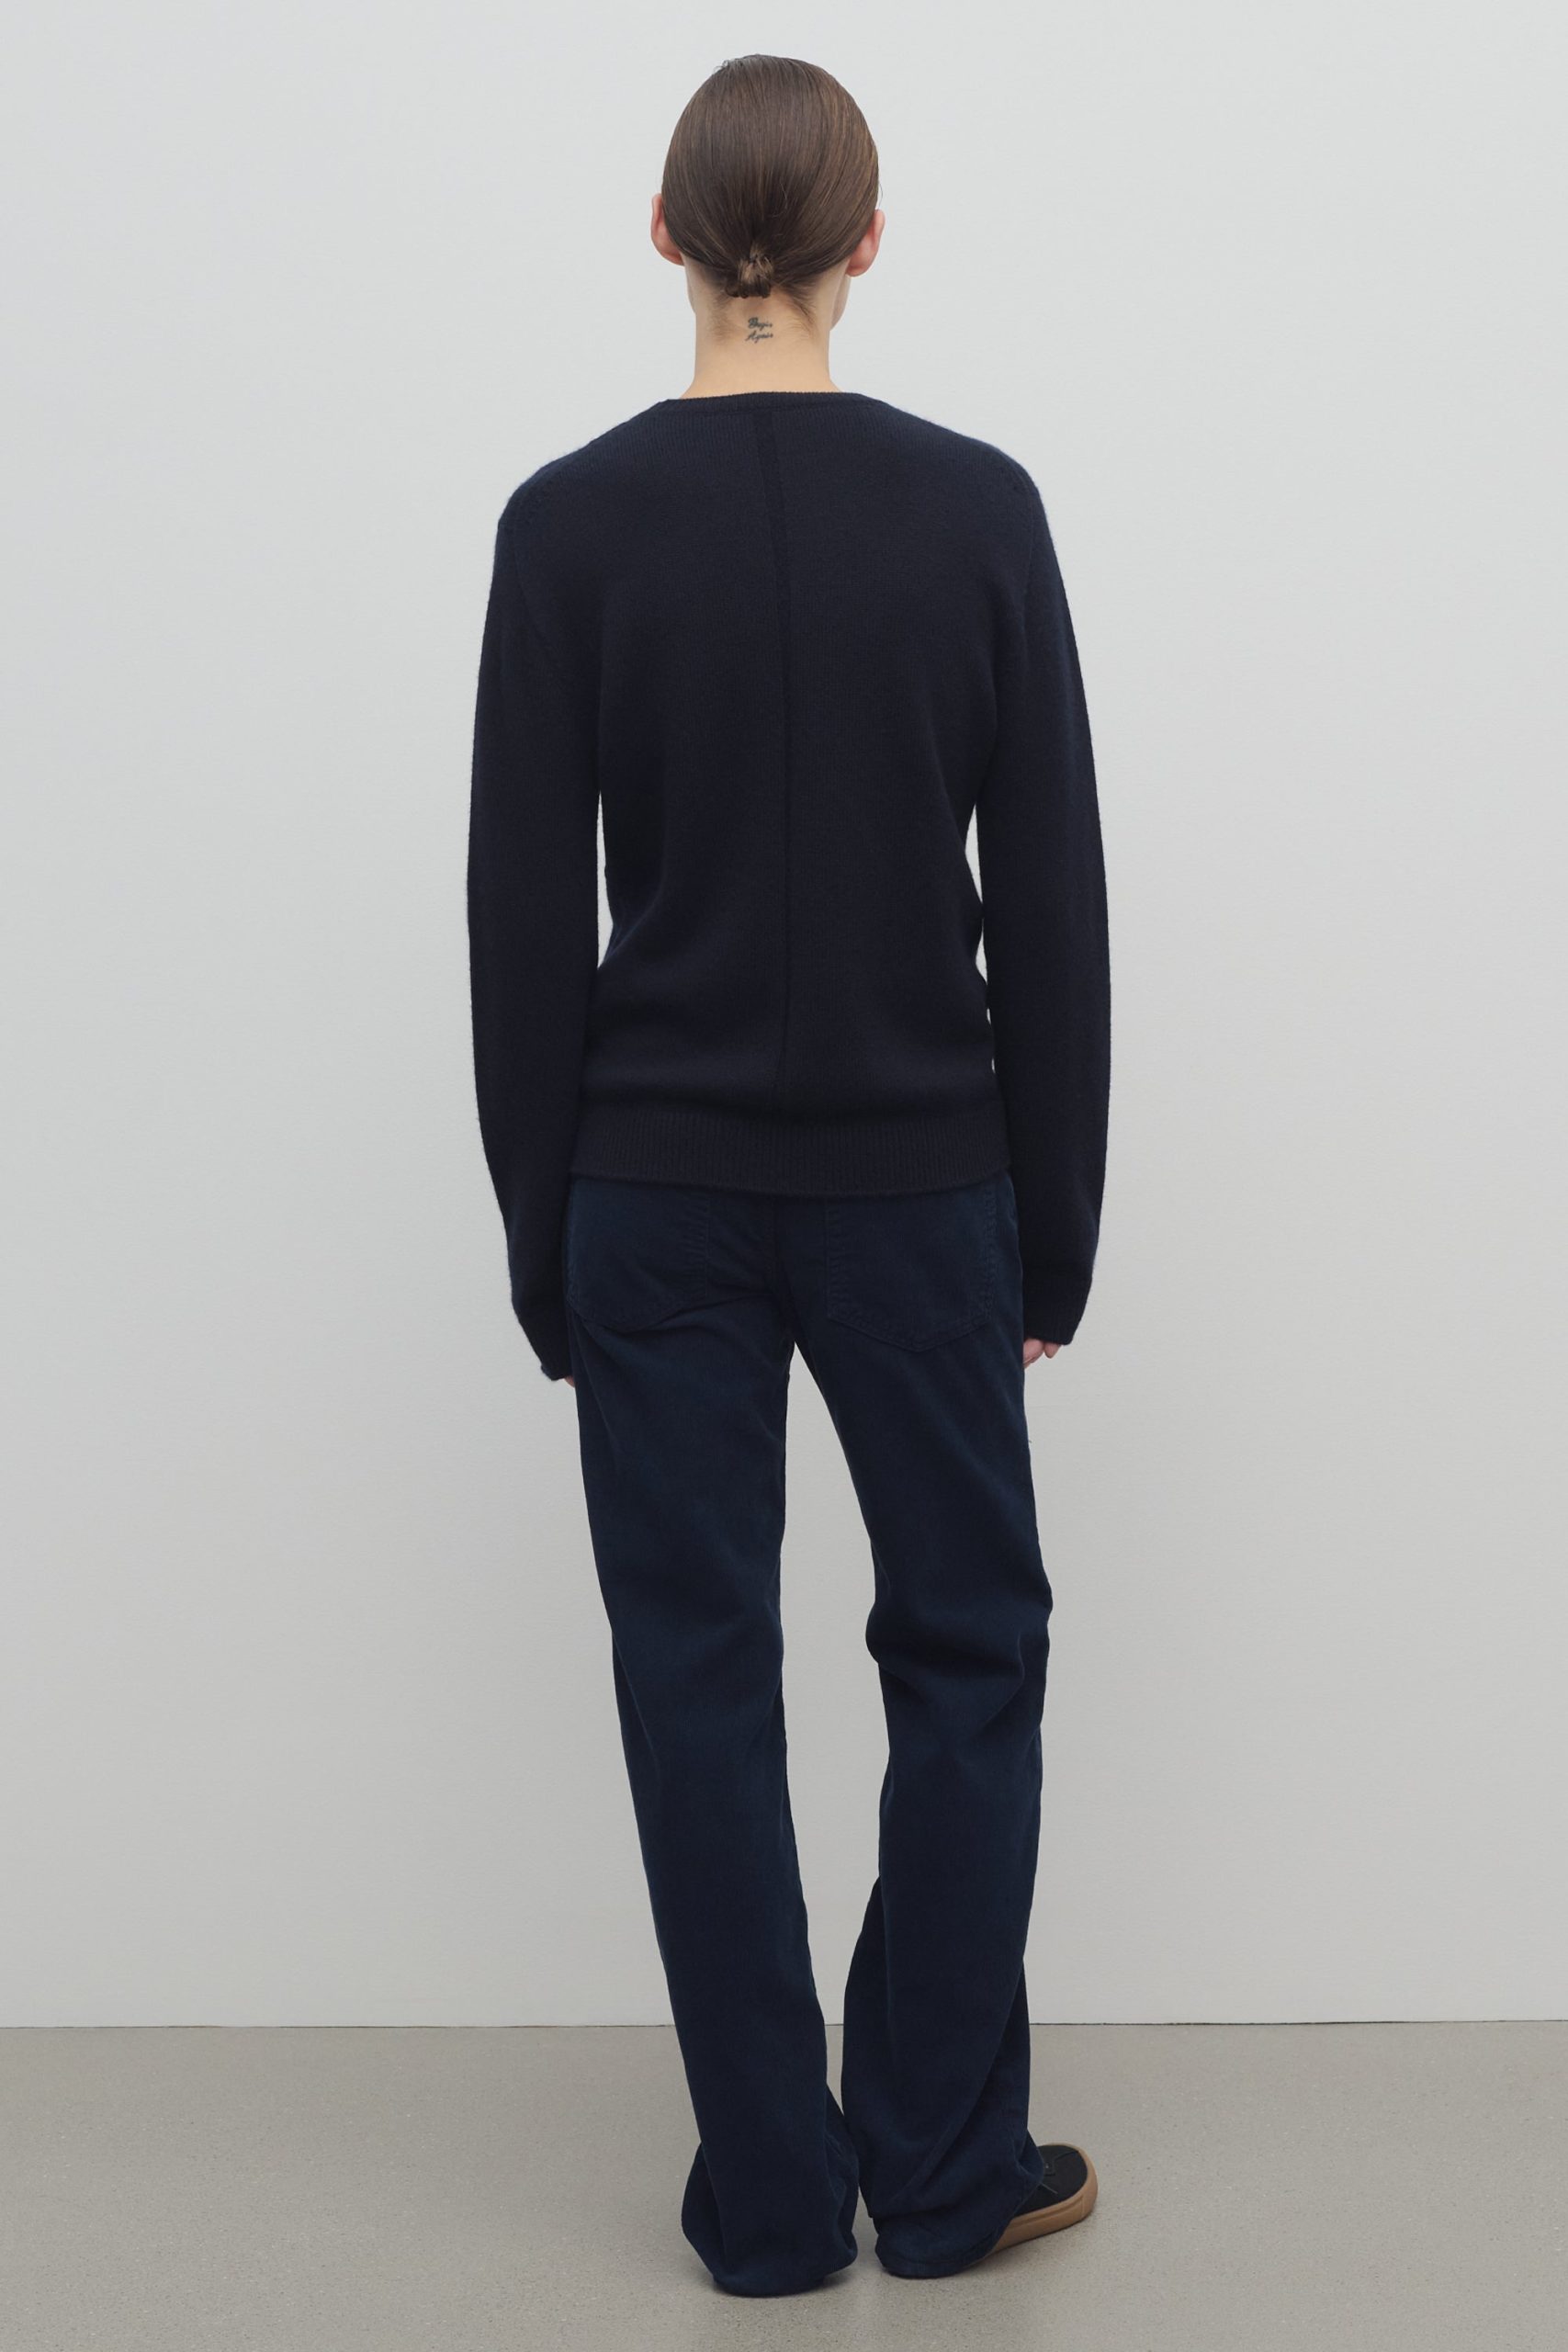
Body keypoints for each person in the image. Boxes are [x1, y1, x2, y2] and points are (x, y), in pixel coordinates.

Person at [467, 51, 1111, 2299]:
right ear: (864, 244)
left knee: (694, 1671)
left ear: (662, 235)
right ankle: (935, 2161)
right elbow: (1050, 905)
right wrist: (1052, 1238)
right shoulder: (977, 513)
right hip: (922, 1186)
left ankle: (765, 2197)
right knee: (969, 1650)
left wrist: (540, 1243)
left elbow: (522, 923)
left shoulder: (563, 527)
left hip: (646, 1190)